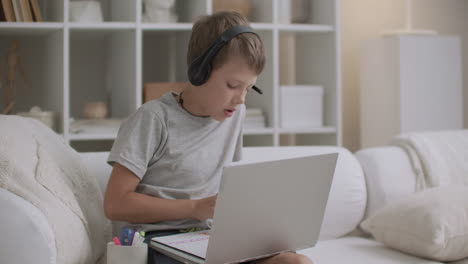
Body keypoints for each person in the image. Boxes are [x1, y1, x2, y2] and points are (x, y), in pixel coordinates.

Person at [104, 11, 313, 264]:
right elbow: (115, 204)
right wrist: (194, 208)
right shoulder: (153, 119)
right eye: (233, 85)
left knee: (295, 262)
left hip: (211, 240)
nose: (240, 99)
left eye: (248, 88)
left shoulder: (236, 114)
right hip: (158, 241)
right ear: (199, 72)